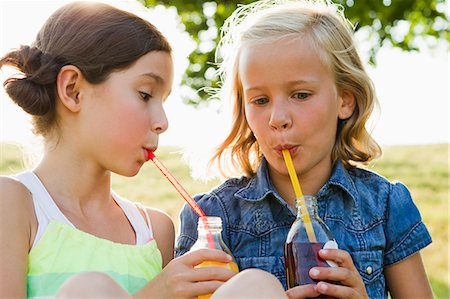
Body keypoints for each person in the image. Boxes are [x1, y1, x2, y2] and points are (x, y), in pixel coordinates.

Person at [0, 2, 289, 298]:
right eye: (145, 94)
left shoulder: (155, 230)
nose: (162, 122)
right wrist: (156, 292)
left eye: (162, 101)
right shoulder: (13, 204)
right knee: (90, 290)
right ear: (73, 90)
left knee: (257, 285)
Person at [176, 0, 433, 298]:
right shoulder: (212, 217)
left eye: (300, 95)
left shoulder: (385, 207)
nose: (278, 119)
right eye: (260, 100)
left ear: (345, 100)